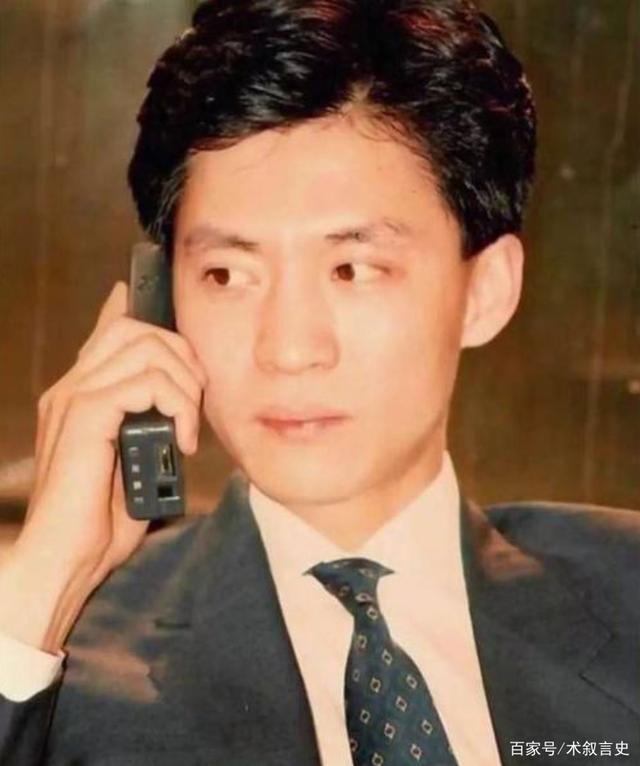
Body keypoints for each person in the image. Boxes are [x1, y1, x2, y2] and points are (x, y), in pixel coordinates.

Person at [0, 1, 638, 764]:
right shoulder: (51, 663)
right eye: (226, 275)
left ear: (485, 291)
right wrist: (42, 583)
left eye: (351, 269)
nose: (289, 349)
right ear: (161, 305)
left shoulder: (624, 588)